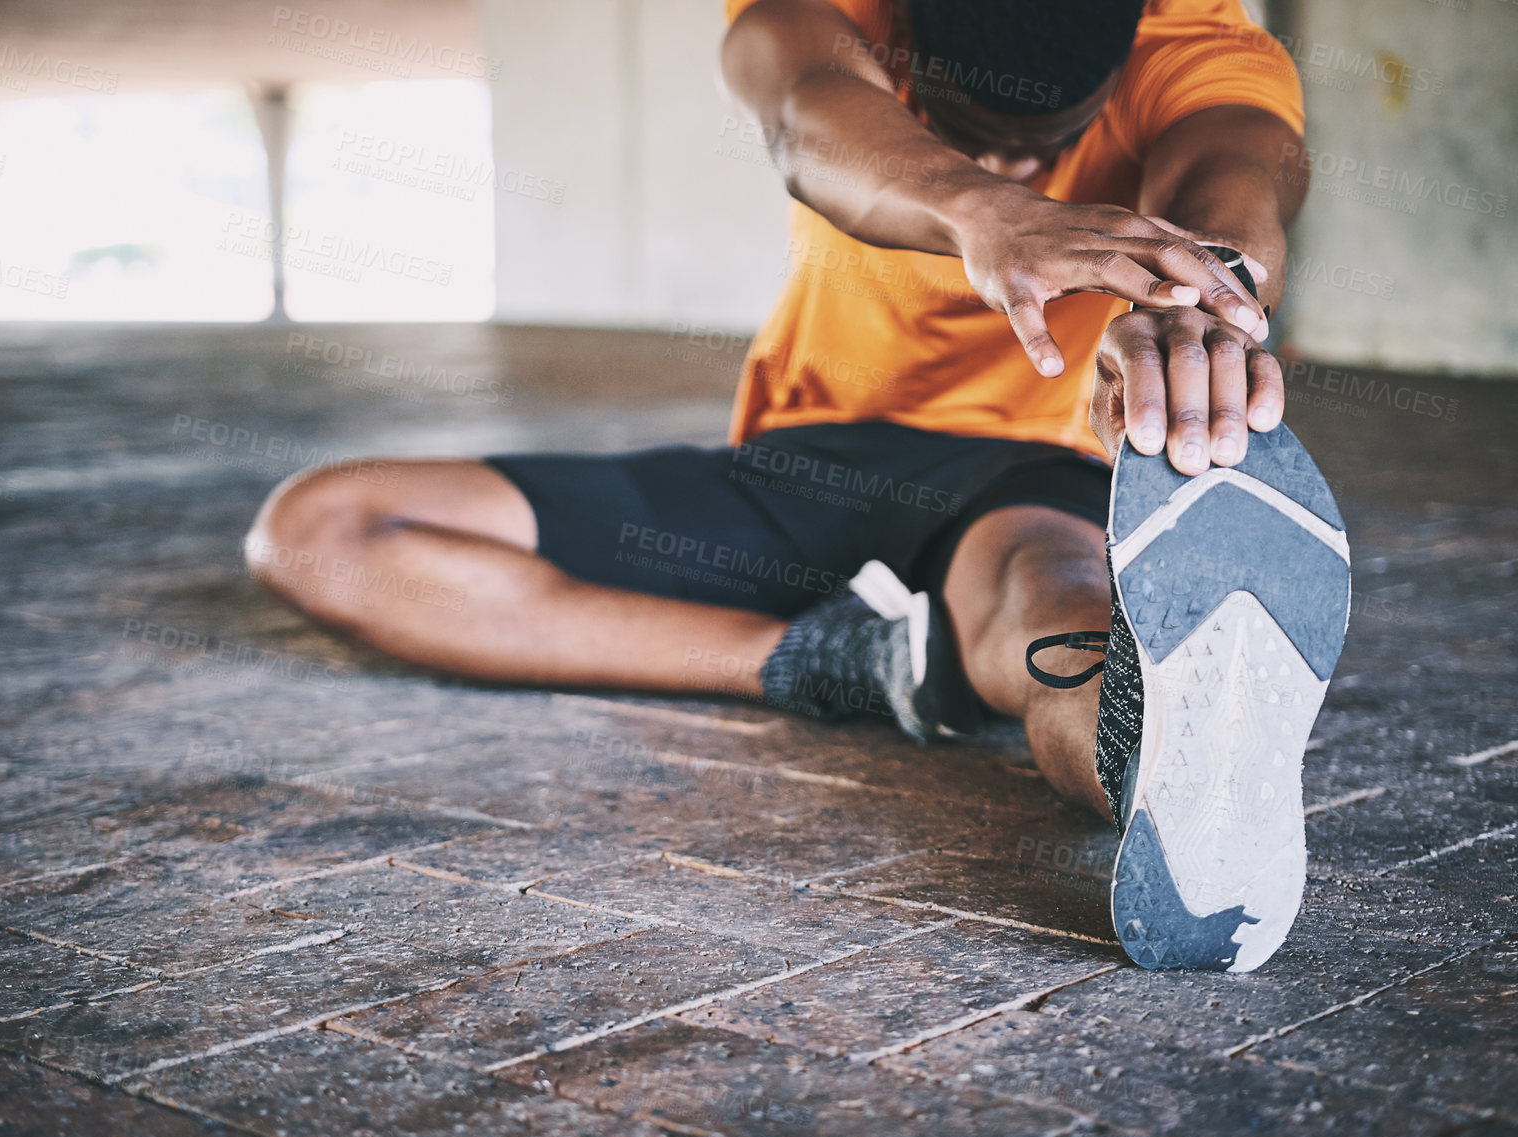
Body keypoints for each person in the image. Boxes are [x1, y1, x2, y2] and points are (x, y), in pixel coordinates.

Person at [244, 0, 1351, 972]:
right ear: (905, 43)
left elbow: (1233, 179)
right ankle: (854, 666)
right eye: (973, 130)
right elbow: (806, 111)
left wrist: (1194, 306)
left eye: (1050, 146)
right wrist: (975, 207)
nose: (1019, 170)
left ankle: (1163, 749)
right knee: (319, 529)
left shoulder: (1196, 37)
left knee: (1053, 603)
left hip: (1020, 473)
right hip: (792, 463)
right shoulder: (833, 12)